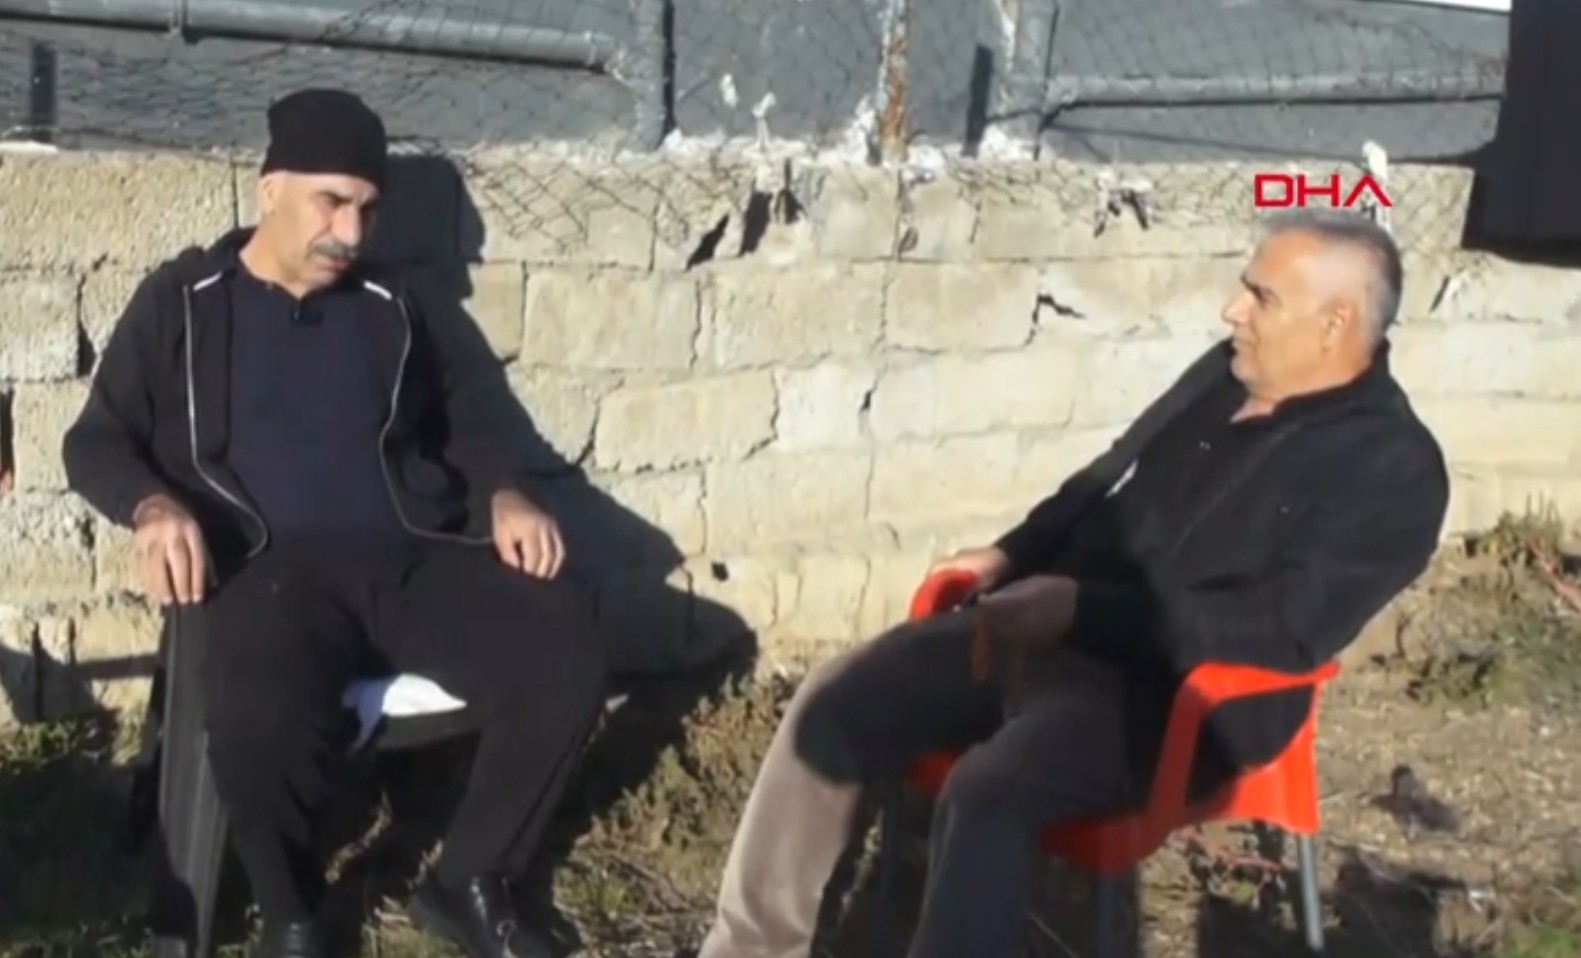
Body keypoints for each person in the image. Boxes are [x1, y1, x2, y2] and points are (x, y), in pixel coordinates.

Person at [696, 209, 1450, 958]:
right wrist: (1012, 554)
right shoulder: (1225, 372)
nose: (1232, 310)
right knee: (834, 697)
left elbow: (1281, 630)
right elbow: (1105, 476)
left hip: (1170, 701)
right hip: (1044, 627)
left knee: (989, 790)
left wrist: (1083, 612)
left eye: (1261, 296)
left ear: (1333, 323)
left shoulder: (1394, 468)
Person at [61, 88, 605, 958]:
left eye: (367, 209)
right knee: (256, 714)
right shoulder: (184, 301)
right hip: (264, 570)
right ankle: (293, 911)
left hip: (405, 558)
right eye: (332, 202)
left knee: (565, 642)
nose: (350, 233)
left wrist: (503, 491)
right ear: (270, 189)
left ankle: (469, 878)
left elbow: (463, 420)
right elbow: (95, 440)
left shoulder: (391, 303)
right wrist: (152, 506)